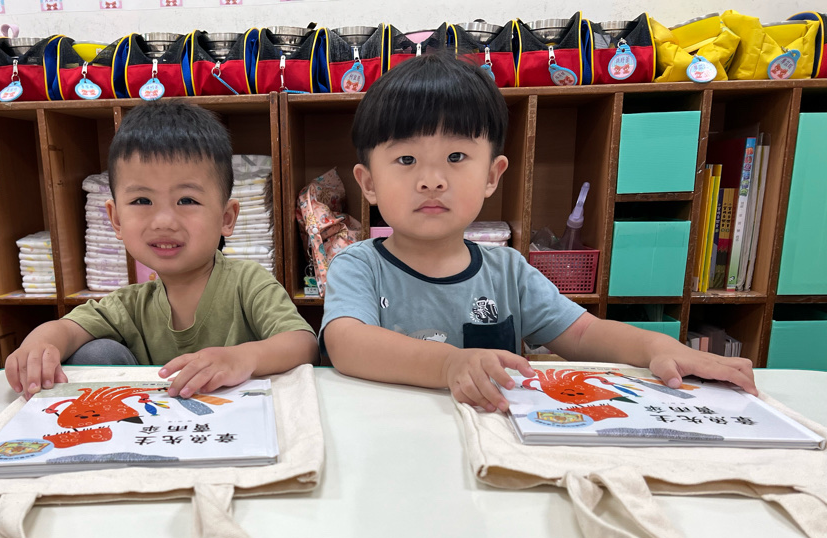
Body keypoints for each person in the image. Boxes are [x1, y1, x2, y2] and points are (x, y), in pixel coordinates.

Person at [320, 53, 756, 411]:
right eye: (406, 160)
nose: (431, 180)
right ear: (369, 183)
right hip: (397, 442)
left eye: (455, 157)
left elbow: (582, 333)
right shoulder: (358, 265)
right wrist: (449, 364)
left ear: (492, 175)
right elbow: (347, 343)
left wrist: (656, 347)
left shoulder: (509, 271)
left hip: (497, 449)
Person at [6, 101, 318, 399]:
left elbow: (303, 344)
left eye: (187, 200)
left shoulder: (248, 283)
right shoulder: (129, 305)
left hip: (235, 423)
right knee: (94, 354)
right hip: (152, 427)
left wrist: (242, 358)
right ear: (116, 219)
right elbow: (67, 329)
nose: (164, 221)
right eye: (142, 201)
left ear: (226, 218)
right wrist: (39, 345)